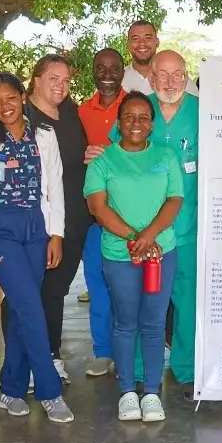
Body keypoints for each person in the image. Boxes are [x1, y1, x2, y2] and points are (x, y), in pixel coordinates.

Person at [0, 73, 75, 423]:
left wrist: (56, 234)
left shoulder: (44, 135)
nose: (5, 106)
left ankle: (10, 390)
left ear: (23, 97)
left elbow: (56, 187)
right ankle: (49, 390)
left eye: (10, 98)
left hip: (37, 227)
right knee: (31, 306)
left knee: (19, 309)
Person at [84, 90, 183, 423]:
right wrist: (133, 237)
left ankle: (152, 392)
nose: (136, 123)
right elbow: (98, 209)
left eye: (143, 117)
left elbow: (174, 201)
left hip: (160, 252)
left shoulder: (167, 156)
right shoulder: (103, 162)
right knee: (125, 323)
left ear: (152, 124)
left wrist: (149, 236)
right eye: (129, 117)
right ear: (118, 122)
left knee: (154, 324)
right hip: (119, 254)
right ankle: (127, 391)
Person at [107, 50, 199, 397]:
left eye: (178, 74)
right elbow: (117, 160)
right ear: (151, 78)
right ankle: (144, 373)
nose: (171, 81)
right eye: (163, 74)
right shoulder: (138, 109)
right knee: (145, 306)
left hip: (187, 226)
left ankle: (186, 368)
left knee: (187, 302)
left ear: (186, 76)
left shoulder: (202, 112)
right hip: (141, 230)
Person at [20, 54, 92, 383]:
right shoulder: (21, 116)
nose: (61, 86)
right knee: (26, 291)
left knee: (55, 291)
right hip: (34, 222)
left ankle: (51, 355)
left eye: (66, 81)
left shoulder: (72, 113)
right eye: (53, 79)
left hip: (73, 219)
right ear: (36, 80)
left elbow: (78, 155)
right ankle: (28, 362)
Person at [78, 47, 128, 377]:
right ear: (93, 72)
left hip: (131, 215)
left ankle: (129, 352)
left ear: (122, 72)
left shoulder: (139, 105)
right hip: (94, 214)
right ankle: (102, 351)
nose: (107, 73)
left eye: (113, 68)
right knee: (97, 283)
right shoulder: (81, 111)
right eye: (101, 67)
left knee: (127, 288)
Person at [121, 20, 198, 96]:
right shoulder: (119, 79)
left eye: (148, 38)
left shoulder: (180, 81)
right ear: (128, 44)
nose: (142, 43)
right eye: (135, 39)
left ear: (157, 42)